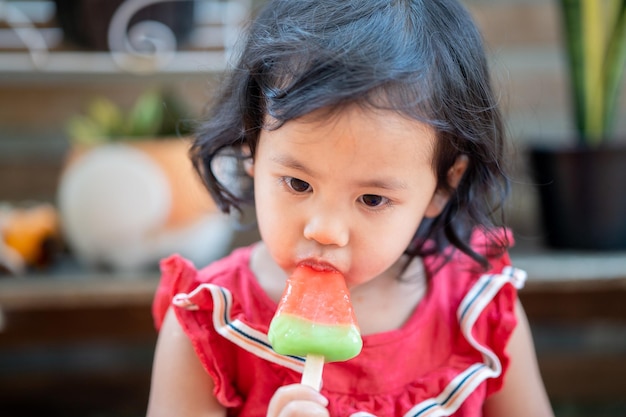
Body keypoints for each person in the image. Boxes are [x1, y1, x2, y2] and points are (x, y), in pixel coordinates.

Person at [147, 0, 554, 416]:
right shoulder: (207, 323)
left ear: (443, 185)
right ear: (252, 148)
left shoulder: (479, 314)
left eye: (373, 199)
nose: (324, 230)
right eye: (298, 183)